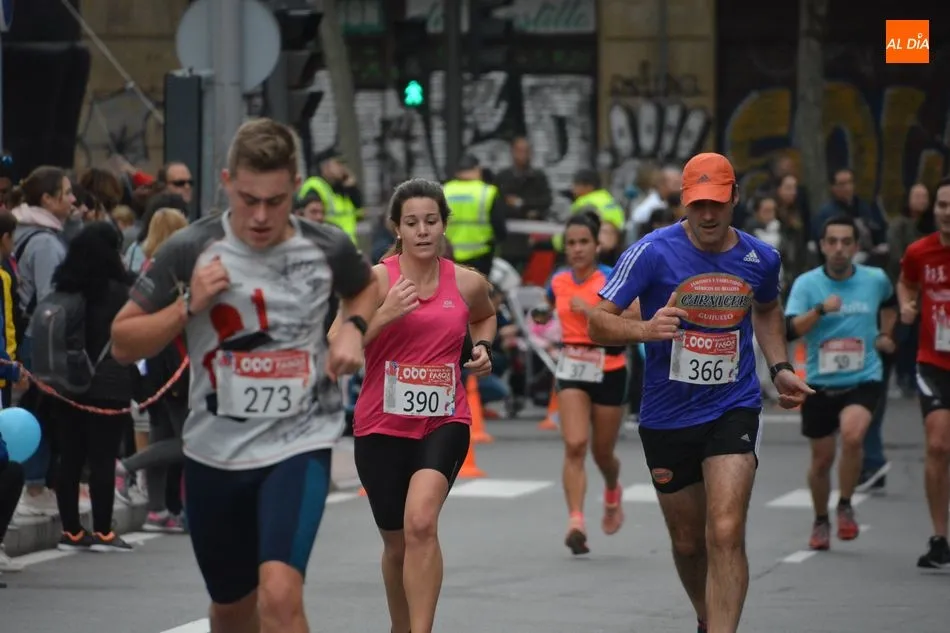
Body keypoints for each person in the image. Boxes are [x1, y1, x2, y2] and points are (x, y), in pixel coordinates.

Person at [110, 118, 378, 633]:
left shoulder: (325, 245)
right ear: (227, 182)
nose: (260, 216)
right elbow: (122, 341)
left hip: (298, 444)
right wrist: (188, 305)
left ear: (294, 186)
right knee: (232, 612)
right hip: (214, 453)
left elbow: (365, 287)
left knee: (280, 596)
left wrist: (353, 329)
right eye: (248, 198)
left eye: (275, 201)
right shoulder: (191, 248)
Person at [587, 153, 813, 633]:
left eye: (717, 203)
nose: (708, 215)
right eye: (697, 205)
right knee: (689, 543)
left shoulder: (760, 258)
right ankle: (707, 617)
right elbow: (597, 322)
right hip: (666, 414)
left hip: (733, 406)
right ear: (683, 202)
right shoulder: (651, 252)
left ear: (734, 199)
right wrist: (645, 330)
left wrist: (780, 368)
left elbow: (767, 309)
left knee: (725, 530)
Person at [339, 178, 495, 633]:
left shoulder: (465, 282)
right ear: (397, 228)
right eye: (412, 223)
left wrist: (483, 347)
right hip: (380, 425)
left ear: (444, 225)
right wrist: (385, 314)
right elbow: (337, 344)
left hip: (444, 420)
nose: (423, 231)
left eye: (431, 221)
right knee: (396, 545)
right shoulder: (375, 281)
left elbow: (486, 314)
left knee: (422, 523)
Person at [784, 216, 897, 551]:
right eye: (832, 242)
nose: (838, 249)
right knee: (821, 461)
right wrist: (820, 310)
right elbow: (790, 330)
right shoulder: (807, 284)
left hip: (863, 377)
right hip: (818, 382)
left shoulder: (875, 279)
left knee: (852, 434)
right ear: (822, 246)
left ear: (856, 247)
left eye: (846, 242)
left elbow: (891, 303)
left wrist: (886, 334)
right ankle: (821, 519)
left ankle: (845, 504)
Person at [48, 222, 137, 553]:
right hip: (108, 384)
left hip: (65, 383)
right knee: (102, 457)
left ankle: (71, 531)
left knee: (69, 456)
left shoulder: (64, 286)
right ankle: (102, 530)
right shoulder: (119, 292)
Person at [546, 211, 628, 554]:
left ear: (597, 245)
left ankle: (612, 490)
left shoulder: (612, 278)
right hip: (572, 366)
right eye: (571, 243)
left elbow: (634, 318)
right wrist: (541, 316)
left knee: (602, 452)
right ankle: (576, 522)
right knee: (575, 444)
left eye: (584, 242)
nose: (577, 249)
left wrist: (592, 312)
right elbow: (547, 309)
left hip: (609, 366)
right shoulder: (557, 281)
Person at [898, 175, 950, 569]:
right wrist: (906, 305)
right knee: (937, 444)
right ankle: (939, 537)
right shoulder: (920, 251)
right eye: (943, 205)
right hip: (933, 361)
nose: (947, 212)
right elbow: (906, 283)